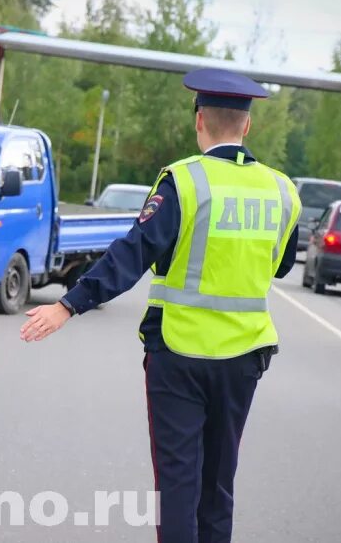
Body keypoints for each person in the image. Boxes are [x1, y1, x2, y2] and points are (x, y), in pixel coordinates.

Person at [20, 68, 302, 542]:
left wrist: (68, 304)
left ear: (199, 121)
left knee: (178, 483)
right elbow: (281, 266)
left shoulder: (185, 181)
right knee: (218, 484)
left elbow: (133, 252)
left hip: (179, 354)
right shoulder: (282, 190)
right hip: (244, 360)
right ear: (247, 126)